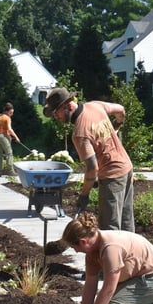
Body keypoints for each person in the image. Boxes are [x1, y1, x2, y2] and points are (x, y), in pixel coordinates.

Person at [61, 211, 153, 304]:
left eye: (74, 247)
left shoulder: (111, 248)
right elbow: (90, 284)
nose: (76, 251)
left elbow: (109, 288)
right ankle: (152, 298)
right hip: (139, 278)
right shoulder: (92, 252)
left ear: (83, 241)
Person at [43, 87, 135, 231]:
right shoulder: (95, 106)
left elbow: (92, 168)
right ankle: (132, 252)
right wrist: (117, 125)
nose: (56, 117)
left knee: (110, 228)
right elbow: (121, 110)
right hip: (127, 168)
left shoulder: (80, 132)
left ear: (67, 105)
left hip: (112, 176)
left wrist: (84, 195)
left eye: (56, 112)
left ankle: (112, 253)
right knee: (126, 221)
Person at [0, 102, 21, 176]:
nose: (12, 114)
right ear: (7, 111)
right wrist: (16, 137)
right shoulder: (7, 118)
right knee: (9, 153)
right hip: (3, 136)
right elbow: (9, 129)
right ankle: (10, 171)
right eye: (11, 112)